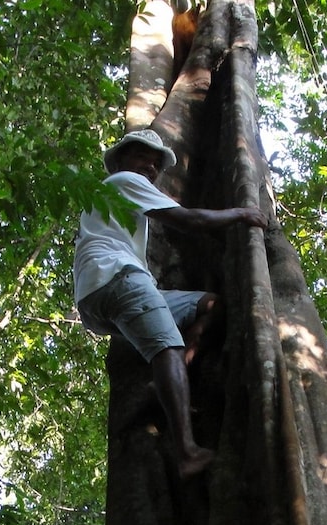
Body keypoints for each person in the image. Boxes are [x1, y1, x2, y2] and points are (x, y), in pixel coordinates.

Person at [74, 129, 267, 478]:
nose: (149, 166)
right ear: (120, 161)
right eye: (141, 157)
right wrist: (241, 214)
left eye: (155, 163)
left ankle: (175, 373)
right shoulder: (122, 181)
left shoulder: (114, 192)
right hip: (117, 277)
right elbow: (190, 220)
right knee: (166, 348)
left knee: (211, 305)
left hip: (99, 296)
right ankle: (187, 452)